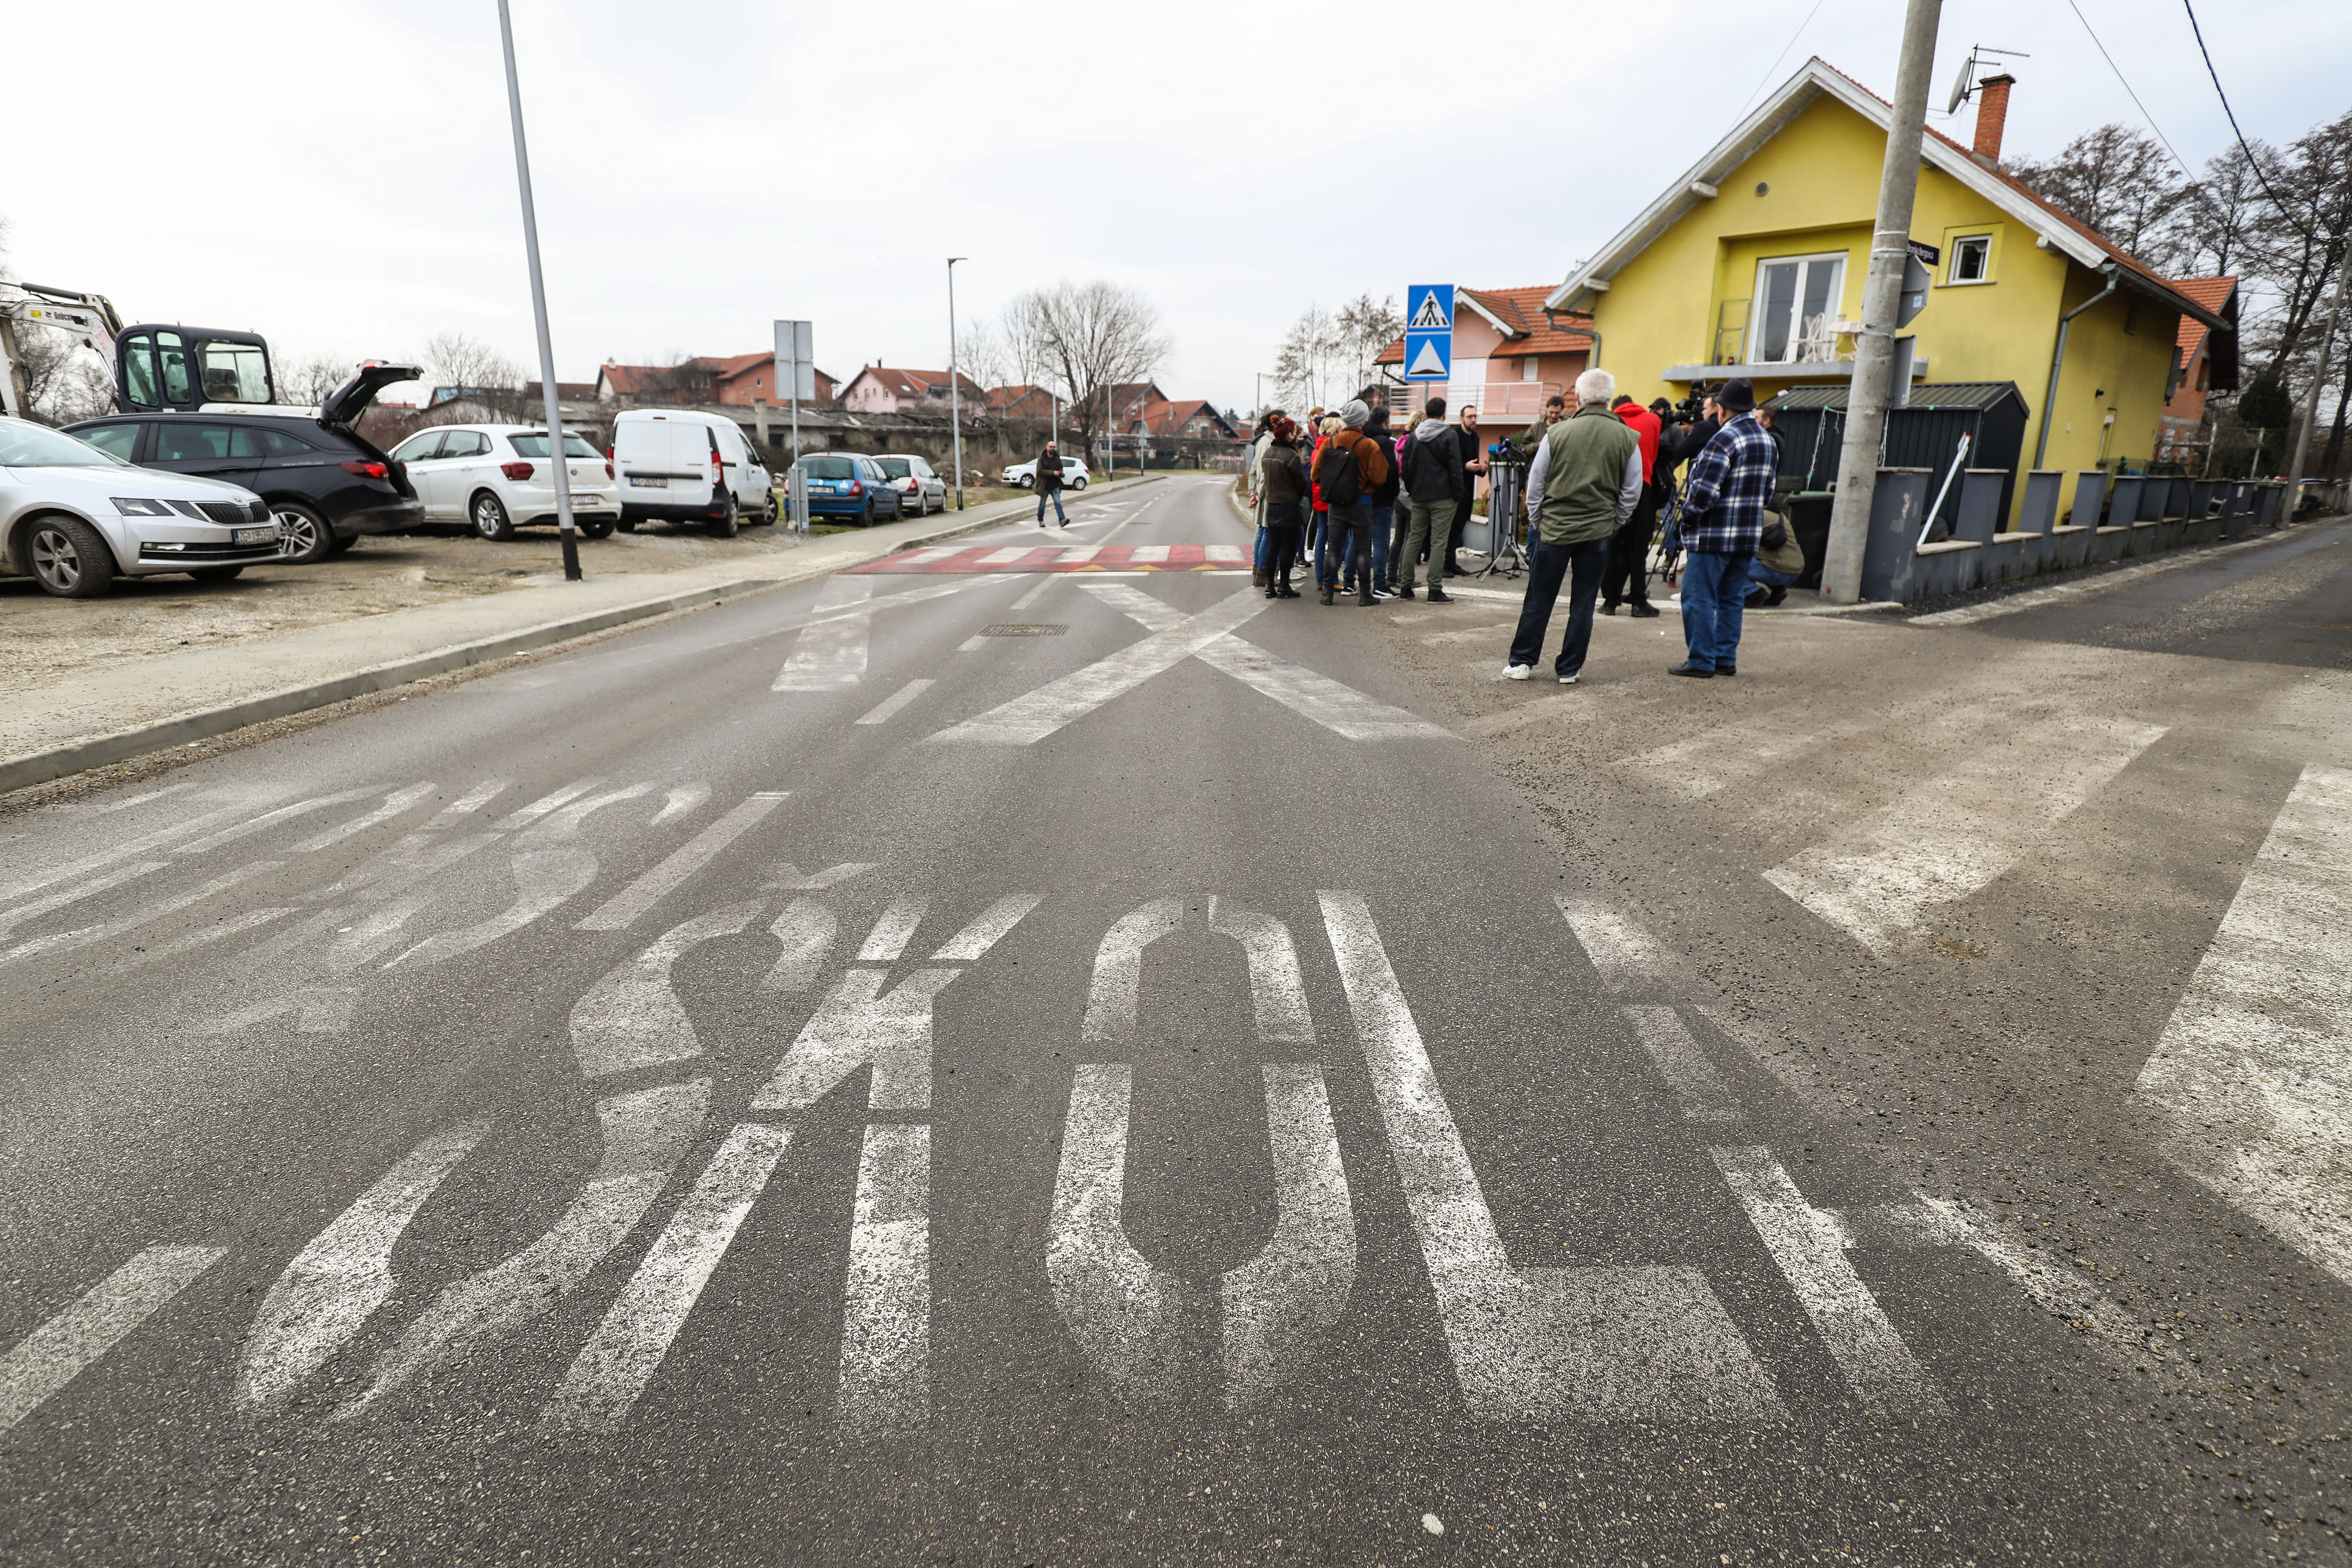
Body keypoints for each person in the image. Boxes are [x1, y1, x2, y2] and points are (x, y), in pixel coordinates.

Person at [1504, 368, 1642, 684]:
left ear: (1578, 398)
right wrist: (1614, 522)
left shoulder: (1557, 433)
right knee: (1584, 601)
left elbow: (1536, 483)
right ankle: (1569, 668)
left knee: (1539, 597)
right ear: (1608, 399)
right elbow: (1632, 490)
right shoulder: (1627, 436)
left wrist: (1539, 520)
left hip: (1555, 527)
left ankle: (1523, 661)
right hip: (1598, 530)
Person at [1669, 377, 1776, 678]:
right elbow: (1768, 492)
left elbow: (1704, 492)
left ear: (1722, 409)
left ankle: (1701, 660)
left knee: (1699, 597)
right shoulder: (1767, 441)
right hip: (1746, 535)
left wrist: (1687, 518)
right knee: (1731, 599)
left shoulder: (1723, 439)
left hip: (1713, 536)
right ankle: (1724, 659)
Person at [1311, 399, 1390, 606]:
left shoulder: (1330, 443)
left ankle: (1327, 594)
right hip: (1362, 503)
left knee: (1333, 549)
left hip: (1336, 505)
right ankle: (1365, 595)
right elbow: (1380, 478)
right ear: (1363, 420)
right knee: (1364, 549)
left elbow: (1315, 475)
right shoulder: (1369, 445)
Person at [1600, 394, 1665, 618]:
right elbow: (1654, 454)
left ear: (1615, 407)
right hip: (1642, 485)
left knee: (1613, 545)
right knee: (1638, 548)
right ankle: (1638, 600)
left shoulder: (1609, 420)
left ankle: (1610, 601)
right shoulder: (1654, 420)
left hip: (1613, 487)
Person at [1396, 396, 1461, 601]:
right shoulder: (1449, 435)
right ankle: (1434, 589)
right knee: (1438, 542)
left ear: (1426, 414)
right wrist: (1457, 493)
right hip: (1443, 496)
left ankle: (1405, 586)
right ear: (1444, 414)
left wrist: (1413, 489)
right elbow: (1455, 468)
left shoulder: (1414, 436)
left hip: (1419, 495)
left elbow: (1405, 467)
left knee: (1414, 538)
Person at [1257, 414, 1308, 599]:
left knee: (1274, 547)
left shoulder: (1267, 454)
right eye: (1294, 432)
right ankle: (1284, 585)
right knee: (1287, 547)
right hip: (1289, 507)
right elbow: (1301, 485)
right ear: (1289, 435)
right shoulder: (1292, 456)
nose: (1295, 436)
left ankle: (1269, 585)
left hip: (1272, 506)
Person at [1445, 404, 1487, 575]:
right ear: (1462, 418)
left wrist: (1482, 469)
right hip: (1454, 489)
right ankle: (1444, 564)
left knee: (1459, 527)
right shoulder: (1454, 436)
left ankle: (1452, 563)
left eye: (1475, 416)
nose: (1474, 420)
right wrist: (1466, 466)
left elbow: (1473, 462)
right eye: (1470, 417)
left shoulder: (1475, 437)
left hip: (1468, 488)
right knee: (1450, 528)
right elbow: (1450, 463)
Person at [1246, 412, 1283, 589]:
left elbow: (1253, 470)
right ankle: (1262, 573)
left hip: (1261, 494)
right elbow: (1266, 474)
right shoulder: (1271, 443)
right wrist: (1258, 494)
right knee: (1267, 534)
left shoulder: (1261, 441)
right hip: (1269, 494)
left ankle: (1257, 570)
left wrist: (1252, 493)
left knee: (1262, 533)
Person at [1033, 441, 1067, 526]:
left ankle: (1062, 520)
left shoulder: (1056, 457)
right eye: (1051, 447)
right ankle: (1040, 520)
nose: (1052, 449)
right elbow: (1040, 471)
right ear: (1047, 447)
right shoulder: (1042, 458)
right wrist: (1053, 473)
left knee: (1058, 502)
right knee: (1042, 505)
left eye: (1054, 447)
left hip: (1055, 485)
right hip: (1045, 486)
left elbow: (1060, 467)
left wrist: (1060, 473)